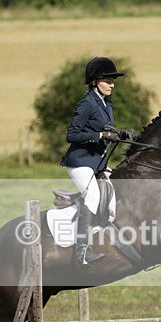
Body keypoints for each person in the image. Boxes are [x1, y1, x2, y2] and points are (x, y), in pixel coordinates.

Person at [60, 56, 135, 268]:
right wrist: (100, 136)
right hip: (80, 162)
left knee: (112, 200)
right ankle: (80, 255)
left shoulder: (105, 103)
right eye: (108, 80)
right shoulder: (87, 103)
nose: (112, 84)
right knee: (93, 196)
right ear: (95, 82)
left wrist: (121, 133)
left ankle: (99, 242)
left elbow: (107, 130)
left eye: (113, 80)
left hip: (97, 163)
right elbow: (72, 135)